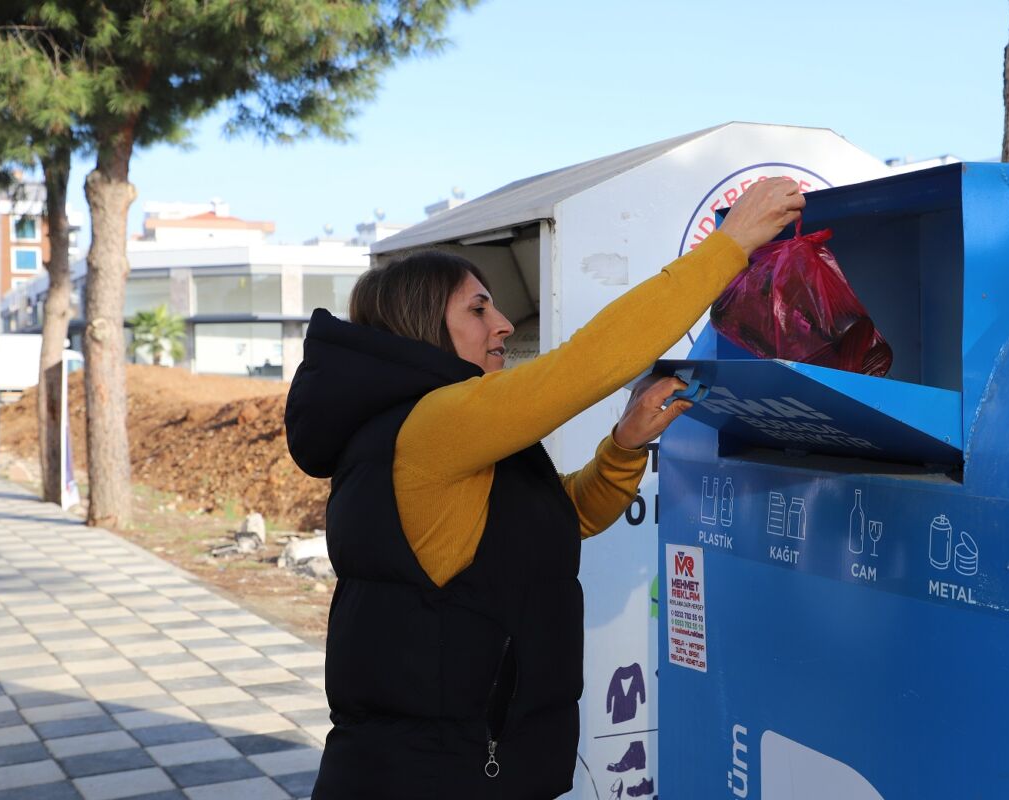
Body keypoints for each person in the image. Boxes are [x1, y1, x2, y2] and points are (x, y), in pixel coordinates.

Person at [285, 178, 805, 799]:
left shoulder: (443, 434)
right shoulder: (435, 425)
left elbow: (566, 515)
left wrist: (625, 444)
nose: (503, 324)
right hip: (433, 777)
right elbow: (586, 363)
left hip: (465, 767)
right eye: (478, 309)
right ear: (422, 324)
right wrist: (730, 246)